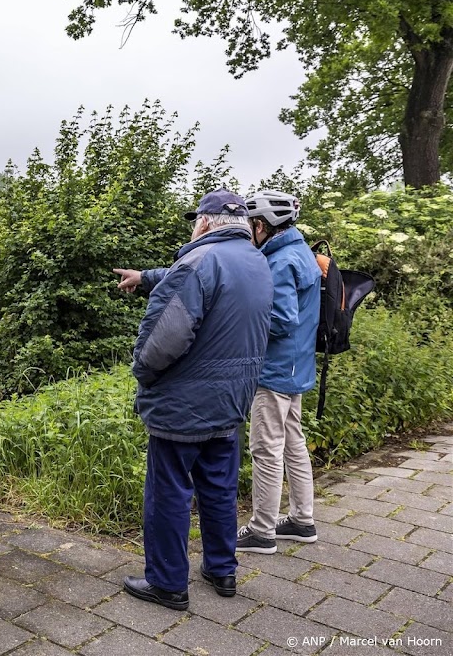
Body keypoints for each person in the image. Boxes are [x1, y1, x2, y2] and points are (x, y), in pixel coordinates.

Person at [113, 189, 272, 610]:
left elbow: (163, 341)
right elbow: (208, 282)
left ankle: (167, 583)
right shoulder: (256, 262)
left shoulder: (198, 261)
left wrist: (143, 375)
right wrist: (145, 276)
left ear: (204, 222)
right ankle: (223, 570)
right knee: (219, 488)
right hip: (232, 400)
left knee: (169, 492)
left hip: (184, 404)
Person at [236, 190, 321, 555]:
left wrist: (240, 322)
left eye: (251, 225)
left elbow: (282, 320)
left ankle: (262, 530)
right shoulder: (301, 252)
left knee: (266, 449)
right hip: (296, 364)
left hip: (275, 370)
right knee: (293, 442)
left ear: (261, 225)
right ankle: (302, 521)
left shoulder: (281, 261)